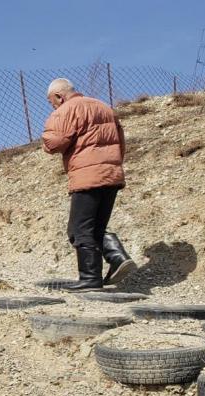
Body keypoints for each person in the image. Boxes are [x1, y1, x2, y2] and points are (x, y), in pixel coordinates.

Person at [41, 78, 136, 290]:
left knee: (78, 230)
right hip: (112, 174)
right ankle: (118, 258)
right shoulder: (104, 107)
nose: (53, 106)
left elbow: (54, 143)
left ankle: (90, 278)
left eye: (52, 102)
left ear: (59, 96)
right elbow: (121, 143)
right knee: (96, 228)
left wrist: (46, 137)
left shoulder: (67, 109)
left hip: (87, 175)